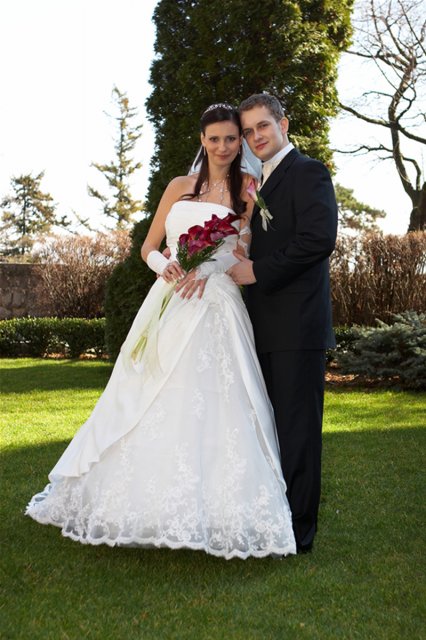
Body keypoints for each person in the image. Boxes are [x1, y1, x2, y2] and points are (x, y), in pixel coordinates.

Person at [26, 103, 296, 560]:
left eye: (231, 138)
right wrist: (164, 265)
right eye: (215, 138)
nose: (224, 147)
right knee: (146, 392)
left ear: (240, 141)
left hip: (215, 303)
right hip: (170, 298)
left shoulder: (249, 190)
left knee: (215, 401)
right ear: (202, 141)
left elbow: (243, 250)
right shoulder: (178, 186)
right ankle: (135, 503)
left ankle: (219, 511)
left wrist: (214, 267)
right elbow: (149, 247)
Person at [228, 94, 338, 553]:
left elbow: (319, 239)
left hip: (297, 327)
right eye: (248, 131)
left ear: (283, 124)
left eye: (263, 126)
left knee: (298, 433)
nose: (256, 136)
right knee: (272, 429)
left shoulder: (309, 171)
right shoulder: (260, 182)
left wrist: (258, 271)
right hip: (264, 325)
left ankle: (299, 533)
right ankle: (276, 520)